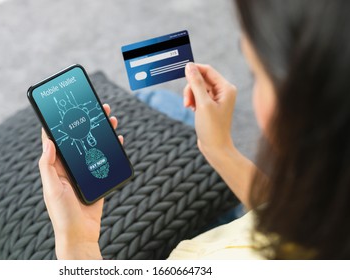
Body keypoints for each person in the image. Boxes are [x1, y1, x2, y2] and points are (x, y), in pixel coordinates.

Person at [39, 0, 350, 259]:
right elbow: (290, 221)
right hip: (243, 228)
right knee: (154, 98)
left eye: (256, 75)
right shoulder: (329, 212)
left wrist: (77, 242)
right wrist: (219, 147)